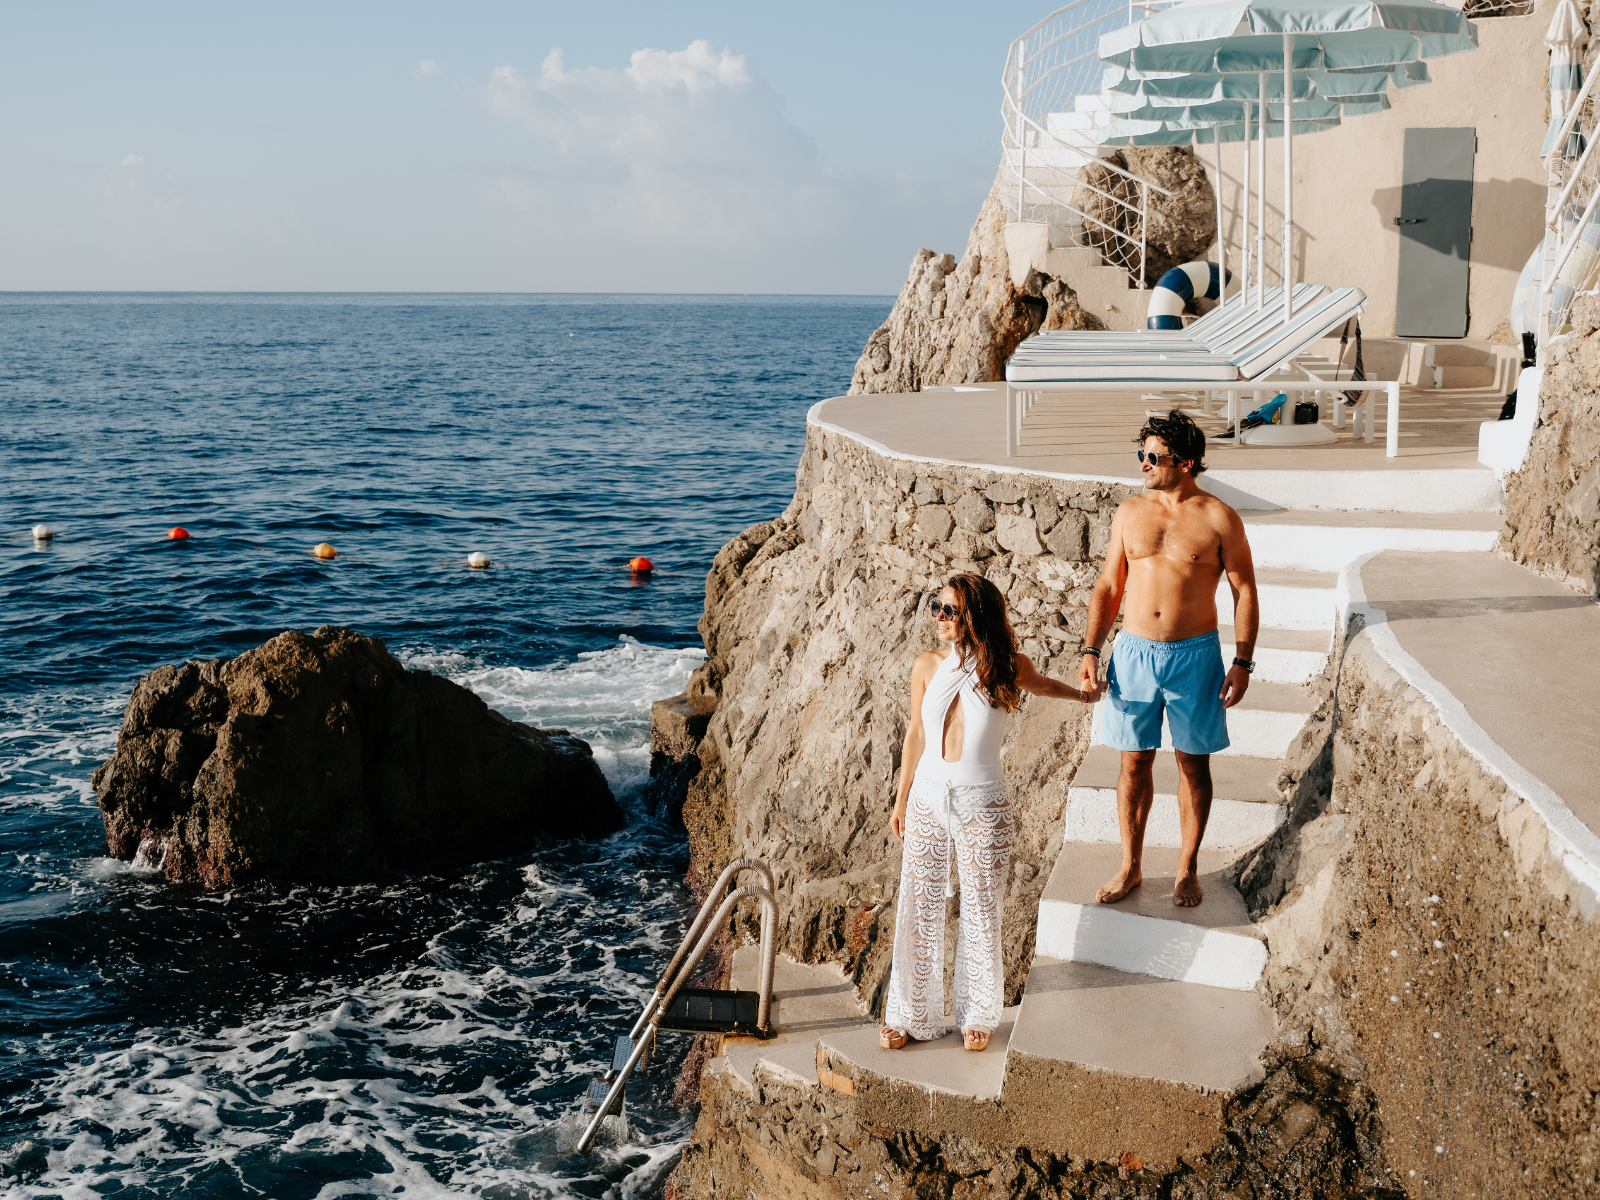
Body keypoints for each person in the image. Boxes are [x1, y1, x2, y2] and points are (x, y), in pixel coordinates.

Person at [881, 573, 1098, 1053]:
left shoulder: (1006, 665)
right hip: (927, 800)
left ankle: (978, 1014)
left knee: (981, 907)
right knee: (918, 903)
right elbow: (914, 735)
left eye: (949, 611)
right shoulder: (925, 665)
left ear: (973, 616)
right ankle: (909, 1014)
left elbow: (1043, 686)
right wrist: (901, 801)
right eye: (936, 607)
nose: (938, 617)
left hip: (983, 802)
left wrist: (1084, 695)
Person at [1077, 409, 1259, 909]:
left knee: (1191, 765)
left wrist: (1242, 662)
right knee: (1133, 762)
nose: (1143, 465)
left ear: (1187, 461)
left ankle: (1186, 867)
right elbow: (1110, 586)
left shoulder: (1219, 517)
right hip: (1133, 652)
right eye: (1141, 455)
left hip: (1194, 655)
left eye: (1153, 457)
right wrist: (1092, 650)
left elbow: (1245, 590)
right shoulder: (1130, 513)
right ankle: (1131, 866)